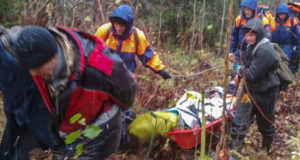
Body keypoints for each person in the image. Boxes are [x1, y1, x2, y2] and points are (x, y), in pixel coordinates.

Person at [11, 25, 137, 159]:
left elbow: (128, 90)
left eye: (36, 67)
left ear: (54, 57)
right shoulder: (41, 63)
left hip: (98, 132)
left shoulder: (98, 66)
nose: (32, 73)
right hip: (66, 131)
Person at [94, 4, 171, 151]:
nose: (118, 28)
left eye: (122, 25)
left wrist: (161, 70)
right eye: (116, 24)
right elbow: (93, 50)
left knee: (120, 111)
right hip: (105, 78)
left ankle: (121, 146)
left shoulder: (137, 36)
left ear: (128, 25)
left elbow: (148, 56)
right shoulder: (104, 31)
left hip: (126, 81)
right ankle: (124, 134)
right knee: (109, 110)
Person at [229, 18, 281, 160]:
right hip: (250, 91)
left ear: (259, 34)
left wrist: (240, 72)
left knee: (266, 124)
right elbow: (249, 71)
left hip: (266, 93)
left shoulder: (264, 49)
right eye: (246, 35)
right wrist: (241, 72)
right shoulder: (250, 46)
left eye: (252, 35)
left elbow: (253, 74)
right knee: (239, 121)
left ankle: (264, 151)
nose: (248, 38)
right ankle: (234, 155)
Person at [0, 26, 54, 160]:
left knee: (21, 153)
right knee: (7, 147)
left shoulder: (9, 59)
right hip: (20, 107)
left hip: (37, 114)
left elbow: (19, 96)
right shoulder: (5, 52)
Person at [228, 0, 272, 95]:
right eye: (244, 9)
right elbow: (233, 35)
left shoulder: (262, 20)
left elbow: (267, 38)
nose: (246, 11)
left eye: (249, 9)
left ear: (254, 9)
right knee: (235, 75)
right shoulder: (239, 19)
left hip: (254, 53)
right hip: (240, 52)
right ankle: (230, 97)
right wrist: (231, 51)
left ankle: (247, 100)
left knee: (251, 77)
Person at [271, 3, 300, 74]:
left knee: (285, 64)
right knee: (274, 64)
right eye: (280, 14)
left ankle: (286, 79)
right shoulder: (273, 20)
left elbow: (298, 37)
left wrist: (297, 51)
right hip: (275, 46)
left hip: (288, 46)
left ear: (287, 13)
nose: (281, 16)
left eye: (283, 14)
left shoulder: (293, 21)